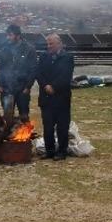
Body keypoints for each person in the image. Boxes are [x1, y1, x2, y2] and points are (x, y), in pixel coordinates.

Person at [36, 32, 75, 161]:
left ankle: (62, 151)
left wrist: (54, 87)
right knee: (47, 127)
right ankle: (49, 150)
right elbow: (39, 73)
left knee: (62, 127)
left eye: (51, 44)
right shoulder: (43, 57)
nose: (48, 46)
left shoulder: (67, 58)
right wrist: (45, 86)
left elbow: (65, 76)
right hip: (46, 98)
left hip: (61, 98)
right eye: (47, 43)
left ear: (59, 44)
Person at [0, 24, 37, 120]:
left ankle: (25, 134)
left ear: (18, 36)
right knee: (7, 115)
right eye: (7, 35)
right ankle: (8, 133)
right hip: (7, 88)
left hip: (22, 88)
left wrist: (28, 87)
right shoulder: (4, 49)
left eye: (10, 35)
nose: (8, 37)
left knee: (24, 115)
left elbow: (33, 69)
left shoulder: (29, 49)